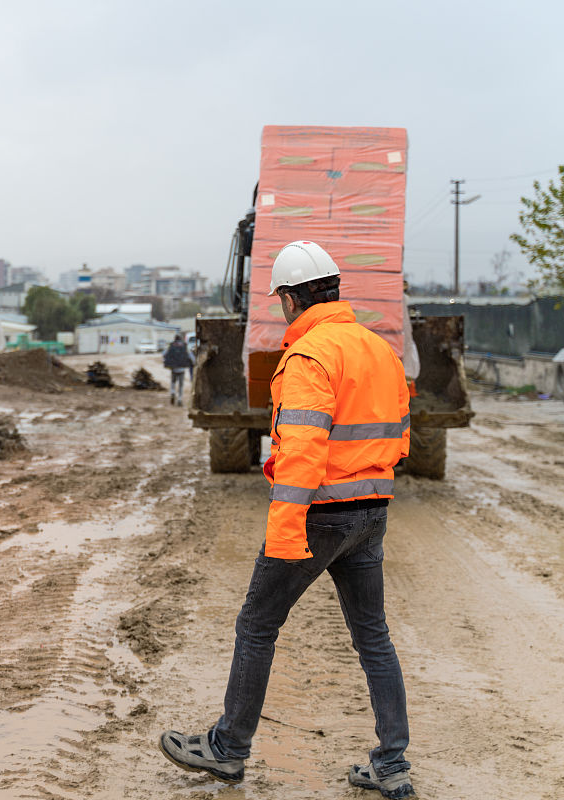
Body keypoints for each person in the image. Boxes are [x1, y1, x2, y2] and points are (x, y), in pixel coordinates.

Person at [158, 241, 415, 799]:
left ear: (293, 297)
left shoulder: (308, 357)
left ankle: (228, 749)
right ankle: (392, 764)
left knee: (257, 623)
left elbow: (301, 454)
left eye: (281, 299)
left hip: (319, 515)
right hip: (372, 511)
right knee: (374, 637)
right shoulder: (379, 351)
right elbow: (400, 438)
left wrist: (285, 530)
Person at [162, 333, 195, 406]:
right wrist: (194, 362)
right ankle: (179, 399)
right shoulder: (185, 346)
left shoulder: (171, 345)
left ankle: (173, 392)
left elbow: (164, 354)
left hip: (173, 368)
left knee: (173, 382)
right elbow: (190, 356)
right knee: (181, 385)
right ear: (181, 338)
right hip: (182, 368)